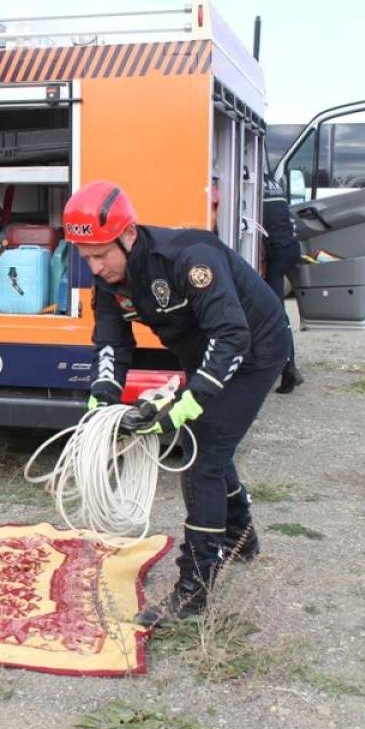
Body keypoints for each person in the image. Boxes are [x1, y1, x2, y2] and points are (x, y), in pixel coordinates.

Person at [64, 181, 290, 625]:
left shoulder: (189, 258)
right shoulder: (109, 281)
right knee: (210, 443)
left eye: (100, 255)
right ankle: (241, 534)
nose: (93, 266)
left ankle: (195, 588)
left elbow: (232, 336)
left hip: (254, 349)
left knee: (202, 455)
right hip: (204, 352)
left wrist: (187, 403)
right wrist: (103, 397)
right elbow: (111, 344)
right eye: (84, 256)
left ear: (127, 236)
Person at [261, 175, 305, 394]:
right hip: (290, 248)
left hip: (277, 255)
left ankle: (289, 369)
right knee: (277, 312)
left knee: (275, 314)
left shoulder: (249, 181)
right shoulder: (272, 182)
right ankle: (288, 367)